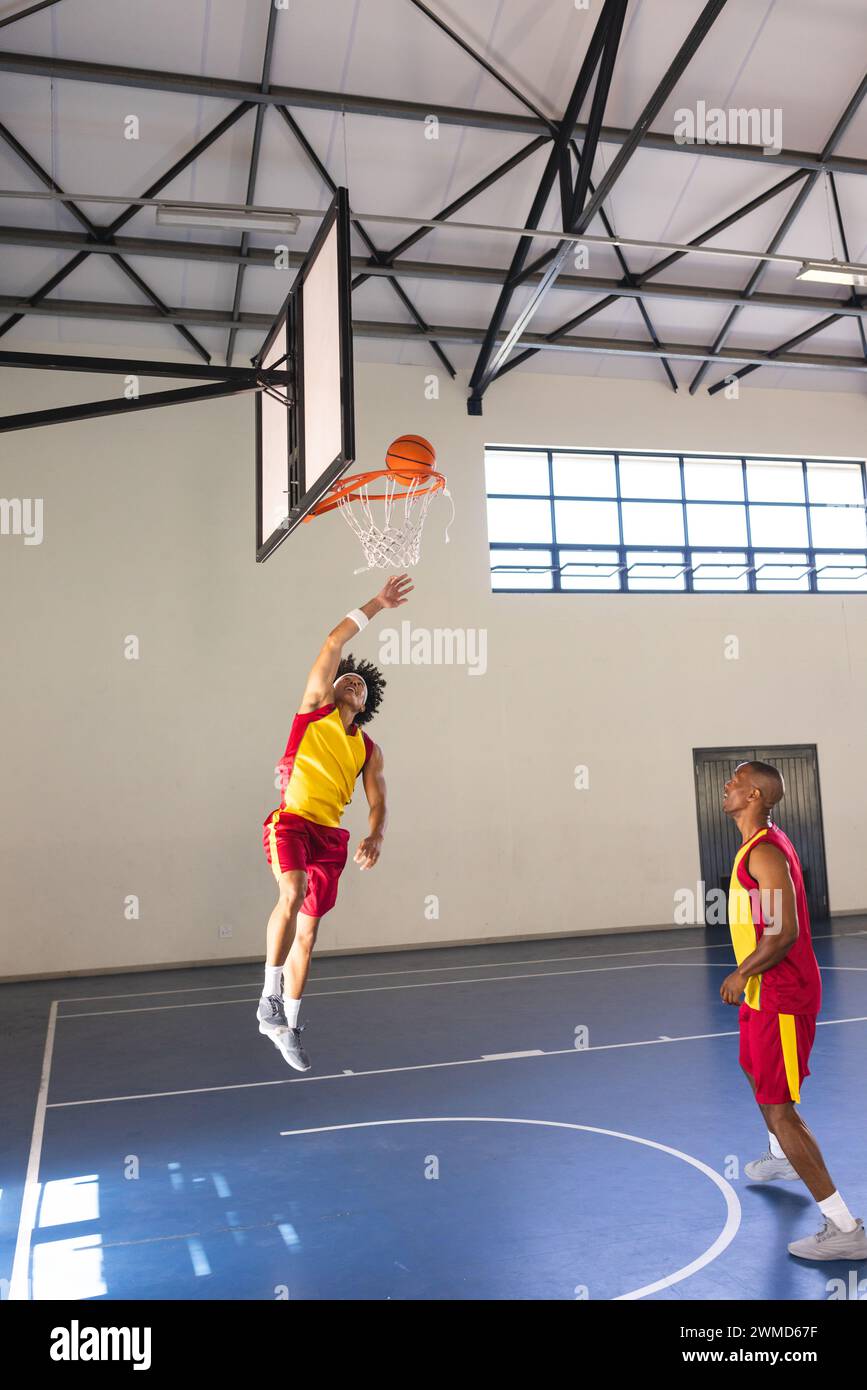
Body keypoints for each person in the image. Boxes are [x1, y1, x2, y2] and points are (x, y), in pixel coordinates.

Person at [258, 574, 412, 1070]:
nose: (351, 682)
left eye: (360, 685)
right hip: (292, 821)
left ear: (365, 704)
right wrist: (379, 604)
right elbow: (333, 641)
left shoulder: (368, 748)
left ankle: (290, 1025)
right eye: (347, 677)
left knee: (309, 932)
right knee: (292, 891)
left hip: (331, 836)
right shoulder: (313, 712)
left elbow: (379, 801)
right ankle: (268, 996)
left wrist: (376, 835)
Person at [720, 760, 866, 1260]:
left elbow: (784, 934)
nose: (727, 787)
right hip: (765, 992)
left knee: (781, 1110)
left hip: (780, 995)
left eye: (735, 783)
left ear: (756, 795)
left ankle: (844, 1227)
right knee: (750, 1068)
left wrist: (742, 972)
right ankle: (781, 1157)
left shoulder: (763, 854)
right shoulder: (755, 846)